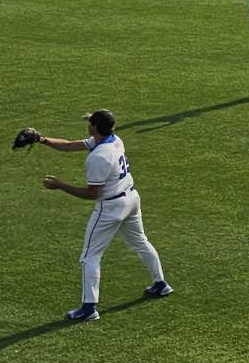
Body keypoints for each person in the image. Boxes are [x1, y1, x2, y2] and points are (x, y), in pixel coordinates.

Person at [26, 108, 171, 322]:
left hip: (110, 207)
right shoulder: (114, 140)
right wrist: (41, 139)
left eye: (90, 122)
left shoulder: (99, 158)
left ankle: (89, 307)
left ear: (94, 127)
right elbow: (69, 145)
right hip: (131, 198)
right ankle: (160, 284)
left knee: (89, 256)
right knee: (141, 242)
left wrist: (60, 185)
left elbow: (92, 194)